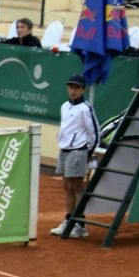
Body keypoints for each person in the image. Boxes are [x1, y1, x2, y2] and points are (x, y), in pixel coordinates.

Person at [50, 75, 99, 239]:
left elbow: (94, 133)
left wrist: (87, 154)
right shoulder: (64, 106)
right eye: (70, 87)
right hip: (64, 150)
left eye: (76, 88)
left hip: (78, 151)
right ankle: (68, 220)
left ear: (83, 90)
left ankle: (80, 225)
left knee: (77, 186)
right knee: (67, 186)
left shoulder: (86, 109)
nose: (73, 90)